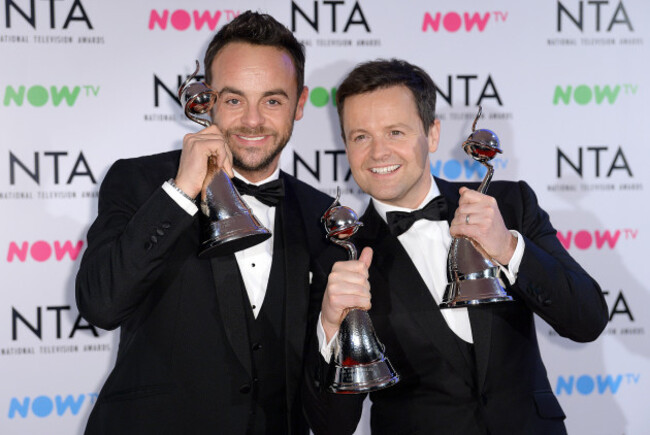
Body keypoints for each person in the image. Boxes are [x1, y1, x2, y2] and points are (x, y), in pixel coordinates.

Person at [302, 59, 609, 435]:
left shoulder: (508, 205)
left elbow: (587, 320)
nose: (378, 152)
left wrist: (508, 247)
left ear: (432, 135)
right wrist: (332, 327)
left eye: (396, 132)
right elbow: (332, 425)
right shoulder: (337, 254)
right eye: (360, 136)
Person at [75, 11, 336, 434]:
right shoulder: (139, 183)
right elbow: (101, 305)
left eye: (272, 100)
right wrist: (180, 193)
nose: (252, 120)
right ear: (206, 99)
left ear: (300, 103)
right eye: (233, 100)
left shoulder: (322, 215)